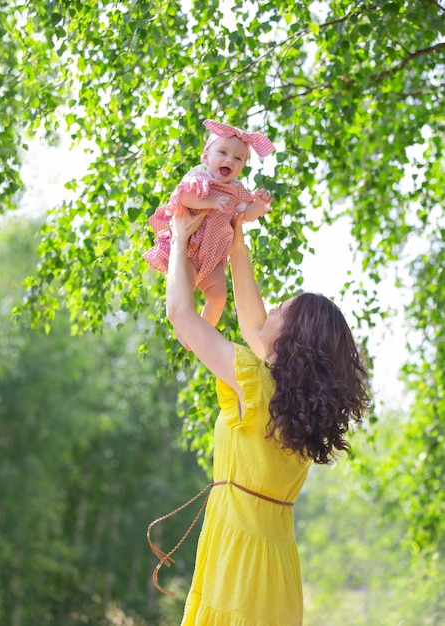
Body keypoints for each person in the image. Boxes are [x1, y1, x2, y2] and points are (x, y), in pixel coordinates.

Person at [149, 204, 372, 626]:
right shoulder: (301, 405)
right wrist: (236, 244)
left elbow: (180, 315)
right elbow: (255, 327)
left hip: (237, 564)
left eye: (278, 311)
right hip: (278, 568)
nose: (267, 313)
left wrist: (179, 238)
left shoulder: (253, 380)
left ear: (290, 338)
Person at [143, 119, 275, 329]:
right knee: (184, 293)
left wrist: (258, 205)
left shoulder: (236, 189)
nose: (230, 160)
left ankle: (204, 331)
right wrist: (211, 202)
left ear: (242, 166)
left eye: (238, 158)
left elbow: (246, 215)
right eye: (222, 153)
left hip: (213, 257)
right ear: (206, 156)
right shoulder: (200, 177)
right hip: (189, 249)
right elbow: (183, 198)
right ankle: (184, 328)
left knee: (219, 296)